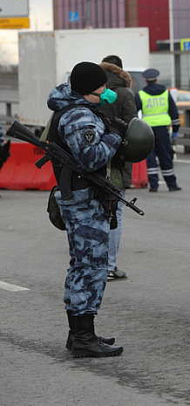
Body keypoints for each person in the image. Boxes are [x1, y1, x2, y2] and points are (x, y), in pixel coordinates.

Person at [47, 61, 125, 358]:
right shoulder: (78, 115)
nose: (106, 91)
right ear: (90, 89)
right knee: (88, 268)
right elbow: (92, 157)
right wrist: (115, 136)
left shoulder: (76, 109)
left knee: (86, 266)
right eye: (102, 86)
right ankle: (82, 338)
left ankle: (81, 333)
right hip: (82, 202)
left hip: (81, 198)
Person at [100, 55, 137, 281]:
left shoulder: (92, 92)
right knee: (115, 214)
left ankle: (94, 264)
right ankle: (110, 266)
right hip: (116, 162)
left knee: (95, 213)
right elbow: (133, 128)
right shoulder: (124, 94)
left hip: (90, 162)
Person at [136, 68, 182, 192]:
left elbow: (134, 113)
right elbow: (174, 113)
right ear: (156, 79)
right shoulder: (165, 93)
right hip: (163, 129)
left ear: (146, 80)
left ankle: (154, 185)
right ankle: (172, 184)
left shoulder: (141, 94)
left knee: (150, 157)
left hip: (147, 130)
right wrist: (176, 130)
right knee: (165, 156)